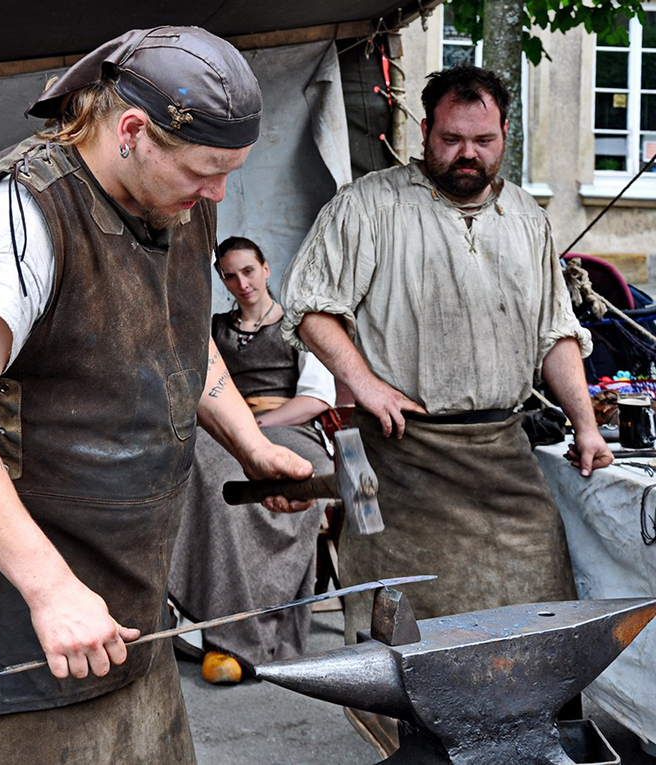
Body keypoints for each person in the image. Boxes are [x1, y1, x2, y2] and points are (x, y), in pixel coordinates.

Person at [0, 27, 315, 764]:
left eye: (231, 171)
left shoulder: (177, 203)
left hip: (124, 601)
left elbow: (180, 341)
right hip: (6, 607)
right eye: (206, 170)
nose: (220, 194)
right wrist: (50, 589)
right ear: (134, 131)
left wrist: (255, 445)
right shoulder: (11, 216)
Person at [279, 64, 614, 756]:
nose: (469, 154)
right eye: (453, 139)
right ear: (425, 132)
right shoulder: (367, 207)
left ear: (503, 135)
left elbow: (556, 332)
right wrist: (365, 384)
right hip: (406, 461)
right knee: (414, 643)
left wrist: (584, 424)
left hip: (504, 456)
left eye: (484, 140)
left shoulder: (526, 216)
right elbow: (311, 307)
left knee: (537, 625)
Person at [168, 236, 336, 684]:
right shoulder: (213, 330)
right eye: (229, 275)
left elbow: (317, 398)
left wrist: (257, 432)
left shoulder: (297, 326)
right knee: (213, 482)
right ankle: (223, 638)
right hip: (224, 432)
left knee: (293, 480)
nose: (241, 282)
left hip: (289, 427)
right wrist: (238, 433)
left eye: (248, 270)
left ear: (265, 268)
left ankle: (268, 633)